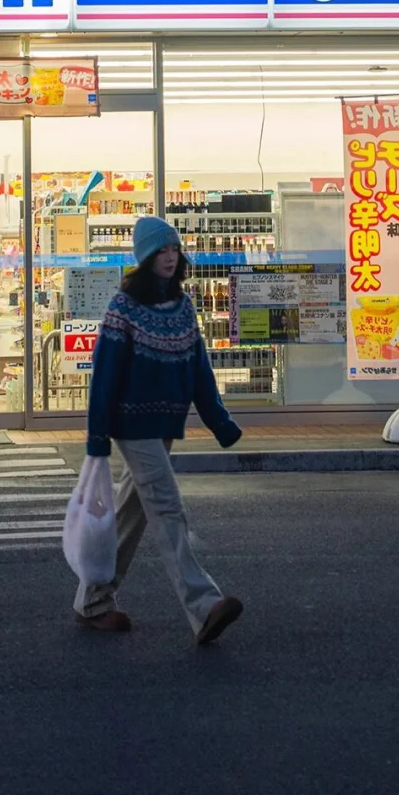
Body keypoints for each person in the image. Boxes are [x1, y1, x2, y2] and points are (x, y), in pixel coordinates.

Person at [74, 215, 244, 645]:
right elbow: (104, 377)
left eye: (173, 249)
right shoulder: (123, 309)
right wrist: (97, 440)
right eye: (160, 251)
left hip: (165, 424)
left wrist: (220, 422)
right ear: (144, 258)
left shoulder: (183, 306)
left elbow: (199, 369)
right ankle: (204, 605)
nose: (169, 258)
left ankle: (92, 601)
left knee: (131, 511)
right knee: (167, 508)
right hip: (132, 427)